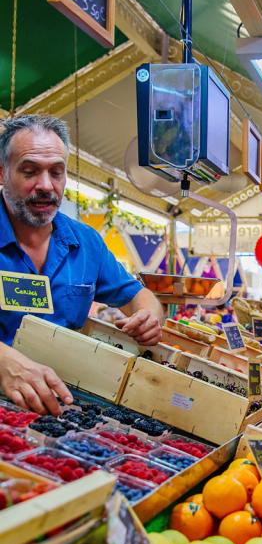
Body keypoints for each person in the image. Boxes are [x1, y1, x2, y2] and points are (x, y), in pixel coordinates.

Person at [0, 115, 164, 416]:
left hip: (63, 406)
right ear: (2, 173)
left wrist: (149, 318)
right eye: (30, 171)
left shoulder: (85, 242)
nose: (46, 186)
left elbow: (140, 297)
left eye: (57, 173)